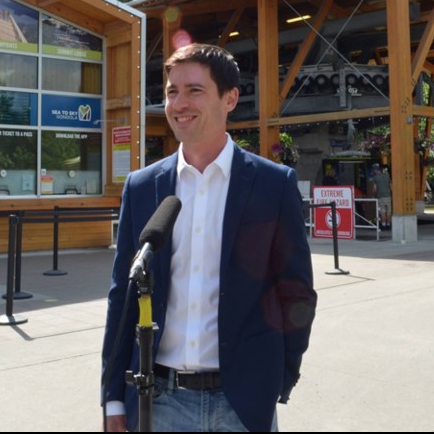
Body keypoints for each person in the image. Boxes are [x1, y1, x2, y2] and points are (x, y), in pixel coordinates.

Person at [101, 43, 317, 432]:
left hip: (243, 404)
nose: (178, 103)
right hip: (159, 400)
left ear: (230, 98)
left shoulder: (272, 185)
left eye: (194, 90)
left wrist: (277, 380)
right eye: (171, 92)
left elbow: (296, 292)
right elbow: (123, 297)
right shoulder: (142, 186)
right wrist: (113, 396)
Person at [369, 163, 392, 229]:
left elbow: (375, 188)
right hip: (388, 196)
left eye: (374, 170)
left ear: (376, 170)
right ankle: (389, 225)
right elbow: (391, 186)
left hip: (380, 196)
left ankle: (384, 225)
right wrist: (391, 194)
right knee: (388, 211)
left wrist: (373, 195)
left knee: (382, 211)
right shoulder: (387, 176)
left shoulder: (375, 178)